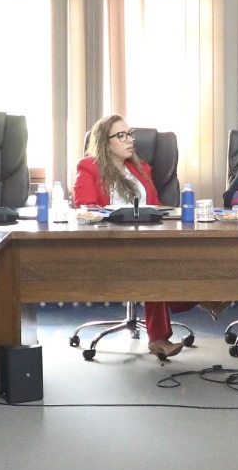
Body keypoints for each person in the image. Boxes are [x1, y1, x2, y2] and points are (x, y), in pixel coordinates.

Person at [72, 114, 188, 356]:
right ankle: (161, 336)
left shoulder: (141, 168)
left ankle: (202, 298)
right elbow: (85, 208)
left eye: (129, 134)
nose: (129, 140)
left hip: (149, 239)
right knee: (153, 266)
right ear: (105, 142)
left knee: (179, 257)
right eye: (121, 135)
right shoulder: (89, 167)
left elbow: (156, 206)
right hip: (110, 242)